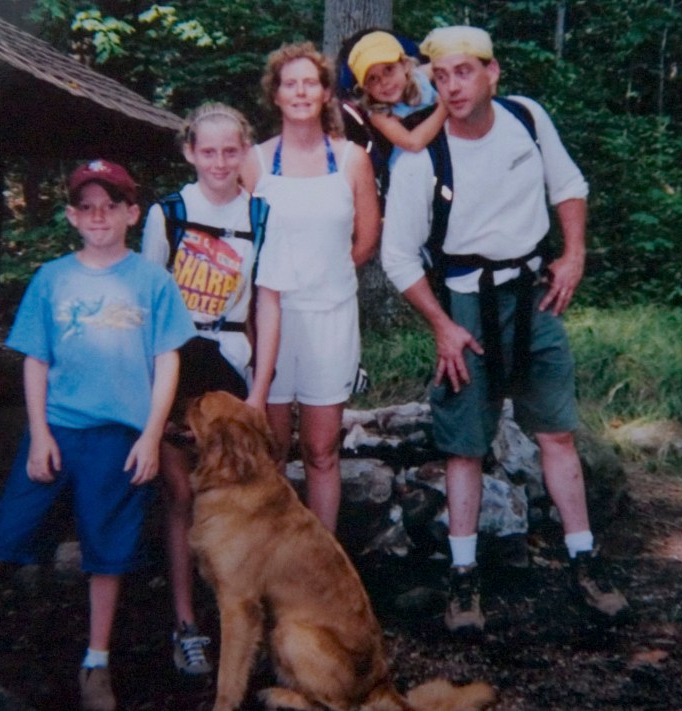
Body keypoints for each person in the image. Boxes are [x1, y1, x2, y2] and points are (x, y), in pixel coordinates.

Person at [380, 26, 629, 635]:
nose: (451, 86)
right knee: (464, 443)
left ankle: (583, 558)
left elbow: (568, 187)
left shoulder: (527, 118)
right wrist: (440, 325)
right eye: (439, 76)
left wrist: (573, 255)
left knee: (557, 431)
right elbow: (397, 256)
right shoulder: (421, 155)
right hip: (466, 306)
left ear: (493, 72)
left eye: (463, 72)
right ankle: (463, 578)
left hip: (535, 293)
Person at [0, 160, 197, 711]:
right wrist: (39, 432)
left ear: (130, 212)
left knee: (107, 549)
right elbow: (35, 359)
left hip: (120, 439)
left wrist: (150, 436)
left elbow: (166, 360)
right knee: (5, 530)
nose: (99, 217)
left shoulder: (153, 281)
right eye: (87, 207)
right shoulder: (52, 278)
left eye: (111, 206)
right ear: (73, 215)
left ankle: (96, 661)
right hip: (57, 431)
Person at [141, 102, 280, 676]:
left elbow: (267, 306)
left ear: (244, 151)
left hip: (233, 368)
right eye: (208, 151)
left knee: (239, 497)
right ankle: (185, 623)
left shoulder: (262, 215)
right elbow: (148, 306)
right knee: (181, 498)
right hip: (176, 363)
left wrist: (259, 393)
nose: (220, 162)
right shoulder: (168, 213)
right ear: (189, 152)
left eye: (230, 151)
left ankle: (241, 620)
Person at [241, 41, 380, 534]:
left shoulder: (351, 161)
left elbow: (365, 239)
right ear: (275, 95)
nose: (300, 92)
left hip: (331, 319)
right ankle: (276, 564)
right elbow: (242, 249)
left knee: (321, 452)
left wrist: (326, 274)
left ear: (325, 94)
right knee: (272, 451)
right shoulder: (253, 163)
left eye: (310, 83)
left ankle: (323, 565)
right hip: (269, 321)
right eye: (289, 83)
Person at [346, 30, 447, 155]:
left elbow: (443, 64)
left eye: (388, 69)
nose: (384, 82)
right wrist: (445, 108)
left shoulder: (420, 77)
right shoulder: (379, 115)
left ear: (404, 65)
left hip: (445, 146)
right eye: (373, 78)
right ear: (366, 88)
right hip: (410, 164)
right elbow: (413, 143)